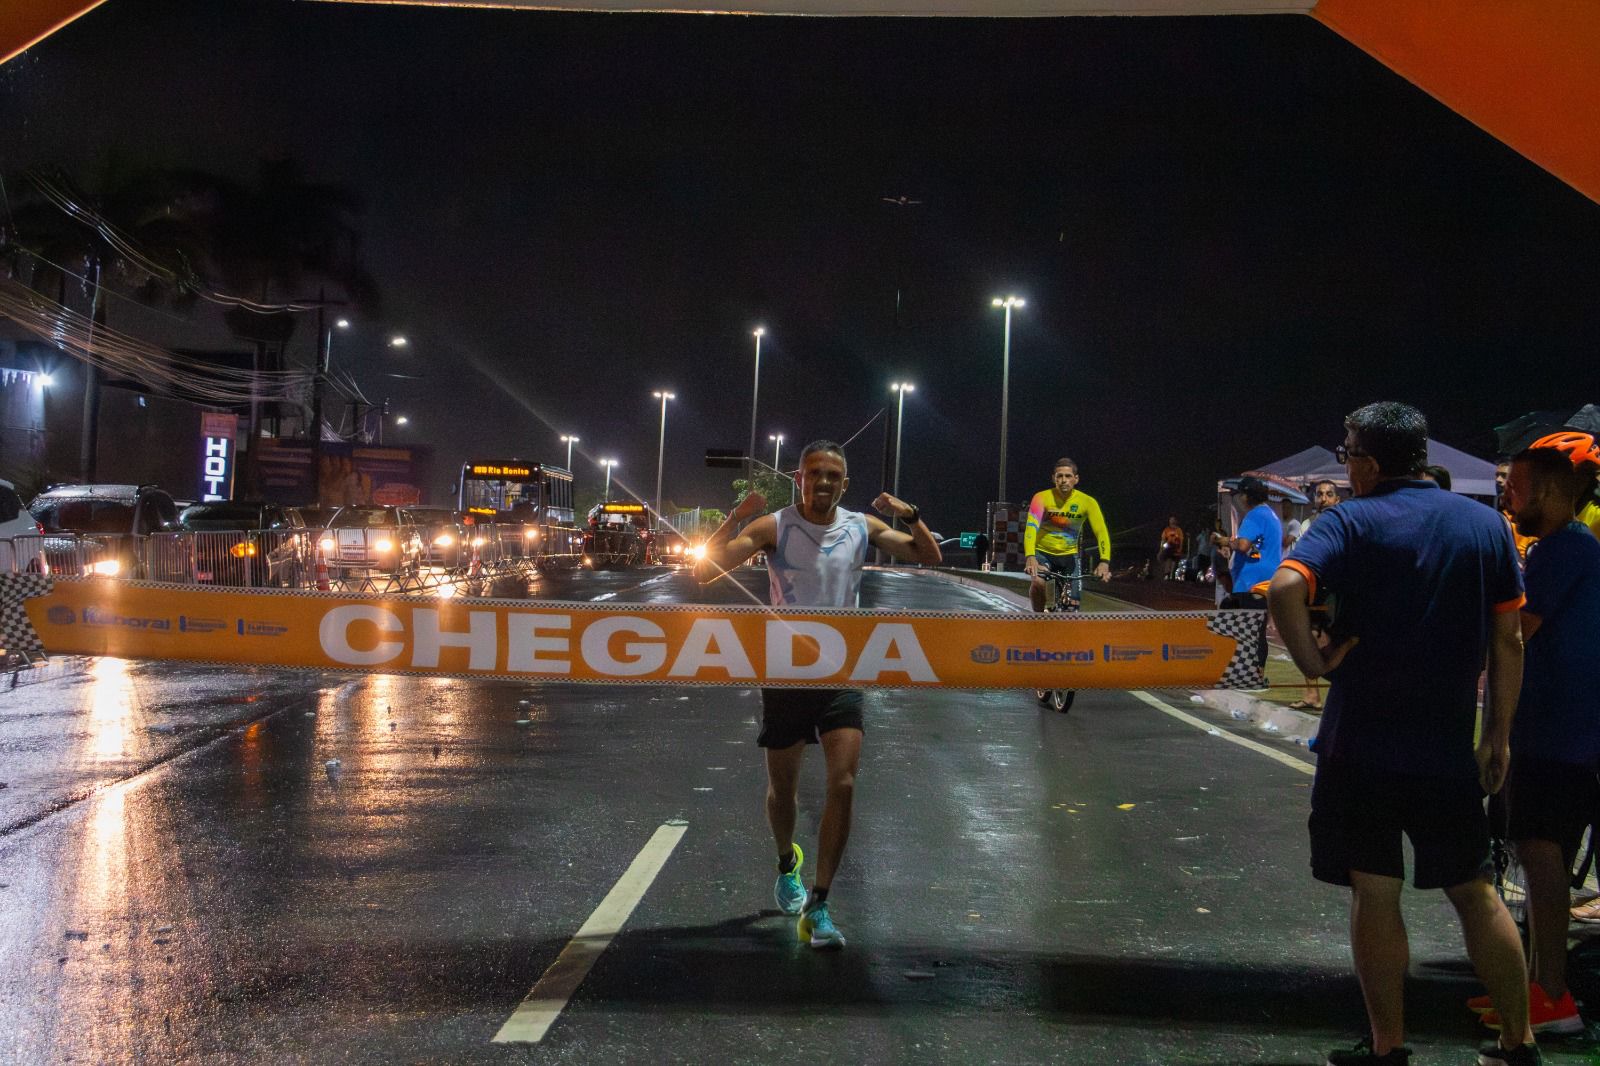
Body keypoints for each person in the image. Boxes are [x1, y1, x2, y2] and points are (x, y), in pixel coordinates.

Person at [1269, 402, 1536, 1066]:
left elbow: (1283, 589)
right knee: (1475, 889)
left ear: (1369, 461)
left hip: (1360, 743)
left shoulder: (1350, 521)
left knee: (1375, 888)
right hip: (1446, 743)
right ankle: (1518, 1040)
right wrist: (1497, 734)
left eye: (1348, 453)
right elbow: (1509, 641)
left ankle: (1389, 1046)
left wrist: (1311, 663)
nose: (1346, 465)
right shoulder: (1485, 525)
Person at [694, 440, 941, 950]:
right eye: (814, 474)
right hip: (785, 672)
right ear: (798, 478)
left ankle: (821, 904)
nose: (823, 482)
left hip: (842, 670)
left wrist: (912, 516)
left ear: (844, 484)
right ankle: (788, 863)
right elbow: (704, 571)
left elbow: (926, 555)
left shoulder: (861, 527)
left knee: (843, 783)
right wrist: (735, 519)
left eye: (833, 475)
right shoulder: (774, 527)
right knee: (782, 791)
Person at [1470, 432, 1600, 1037]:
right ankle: (1540, 988)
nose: (1508, 494)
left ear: (1550, 488)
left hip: (1557, 734)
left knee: (1542, 855)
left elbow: (1515, 631)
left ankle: (1553, 995)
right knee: (1537, 853)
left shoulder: (1560, 550)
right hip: (1559, 730)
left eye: (1516, 485)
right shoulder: (1567, 547)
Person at [1023, 457, 1111, 614]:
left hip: (1069, 556)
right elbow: (1031, 528)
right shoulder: (1041, 497)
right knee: (1038, 582)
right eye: (1059, 476)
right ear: (1053, 478)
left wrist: (1104, 562)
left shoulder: (1088, 502)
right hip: (1043, 553)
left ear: (1076, 479)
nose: (1064, 480)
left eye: (1068, 476)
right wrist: (1030, 557)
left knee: (1071, 609)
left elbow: (1101, 531)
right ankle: (1037, 619)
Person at [1288, 480, 1341, 711]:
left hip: (1339, 591)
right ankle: (1311, 695)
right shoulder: (1307, 525)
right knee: (1307, 637)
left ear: (1337, 499)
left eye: (1329, 494)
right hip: (1315, 591)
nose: (1324, 498)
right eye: (1320, 494)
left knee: (1340, 640)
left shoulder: (1345, 523)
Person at [1155, 516, 1184, 580]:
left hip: (1176, 549)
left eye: (1173, 520)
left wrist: (1180, 549)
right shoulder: (1166, 529)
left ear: (1176, 521)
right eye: (1171, 520)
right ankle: (1167, 575)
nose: (1172, 521)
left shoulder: (1179, 530)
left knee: (1175, 563)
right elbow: (1163, 540)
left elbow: (1181, 540)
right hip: (1168, 548)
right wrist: (1161, 549)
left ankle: (1172, 575)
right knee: (1168, 560)